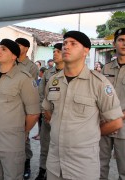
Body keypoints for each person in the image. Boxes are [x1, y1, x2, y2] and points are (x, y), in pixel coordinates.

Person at [42, 31, 123, 179]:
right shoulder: (54, 80)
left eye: (73, 44)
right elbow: (47, 111)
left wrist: (90, 132)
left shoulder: (98, 83)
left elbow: (116, 122)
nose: (66, 47)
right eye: (65, 43)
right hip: (55, 158)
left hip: (82, 161)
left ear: (86, 50)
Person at [0, 39, 40, 180]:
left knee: (12, 176)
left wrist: (23, 132)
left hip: (11, 142)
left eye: (3, 49)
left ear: (14, 56)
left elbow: (33, 113)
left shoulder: (24, 79)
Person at [35, 43, 64, 180]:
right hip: (47, 116)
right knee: (45, 146)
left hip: (63, 119)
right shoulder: (48, 72)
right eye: (54, 51)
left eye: (58, 51)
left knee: (62, 149)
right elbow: (41, 93)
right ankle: (42, 171)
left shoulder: (70, 72)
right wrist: (44, 112)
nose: (55, 53)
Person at [100, 28, 125, 180]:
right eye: (121, 40)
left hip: (124, 128)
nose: (124, 43)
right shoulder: (106, 68)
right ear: (114, 43)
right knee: (99, 167)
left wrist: (118, 117)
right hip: (104, 125)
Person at [15, 37, 39, 179]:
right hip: (11, 106)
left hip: (24, 107)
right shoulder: (12, 62)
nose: (16, 47)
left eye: (19, 45)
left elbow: (31, 89)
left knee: (24, 138)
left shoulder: (31, 67)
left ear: (26, 48)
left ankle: (26, 164)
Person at [32, 66, 47, 141]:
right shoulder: (39, 80)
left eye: (40, 72)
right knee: (39, 120)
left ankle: (41, 135)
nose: (39, 73)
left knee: (41, 120)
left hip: (42, 103)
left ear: (42, 72)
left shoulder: (45, 81)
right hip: (38, 102)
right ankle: (39, 133)